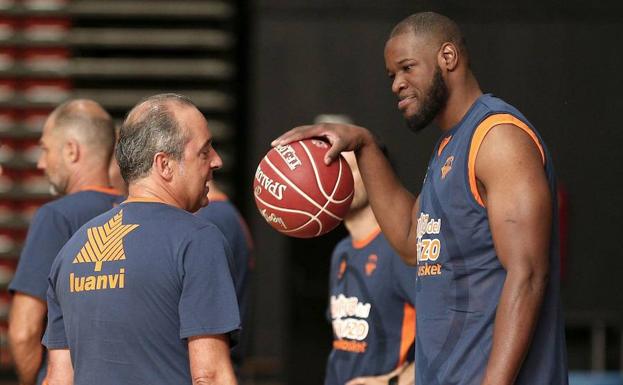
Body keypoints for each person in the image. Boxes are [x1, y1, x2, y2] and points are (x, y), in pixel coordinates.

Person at [273, 11, 568, 385]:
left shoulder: (497, 138)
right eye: (391, 75)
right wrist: (363, 143)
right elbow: (412, 242)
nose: (396, 84)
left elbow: (528, 275)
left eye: (407, 67)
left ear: (448, 57)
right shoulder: (449, 146)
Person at [43, 94, 240, 385]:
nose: (216, 161)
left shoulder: (71, 250)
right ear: (164, 165)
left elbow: (58, 380)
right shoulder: (198, 240)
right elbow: (210, 376)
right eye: (204, 151)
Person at [8, 99, 123, 385]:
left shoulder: (55, 217)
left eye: (46, 149)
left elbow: (24, 330)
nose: (40, 162)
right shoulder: (135, 215)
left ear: (71, 150)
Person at [326, 151, 416, 385]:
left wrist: (393, 382)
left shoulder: (400, 248)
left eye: (348, 169)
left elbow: (451, 330)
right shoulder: (341, 251)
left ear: (375, 174)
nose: (337, 179)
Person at [195, 180, 253, 369]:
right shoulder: (223, 212)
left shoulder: (212, 218)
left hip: (215, 363)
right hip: (222, 360)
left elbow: (205, 307)